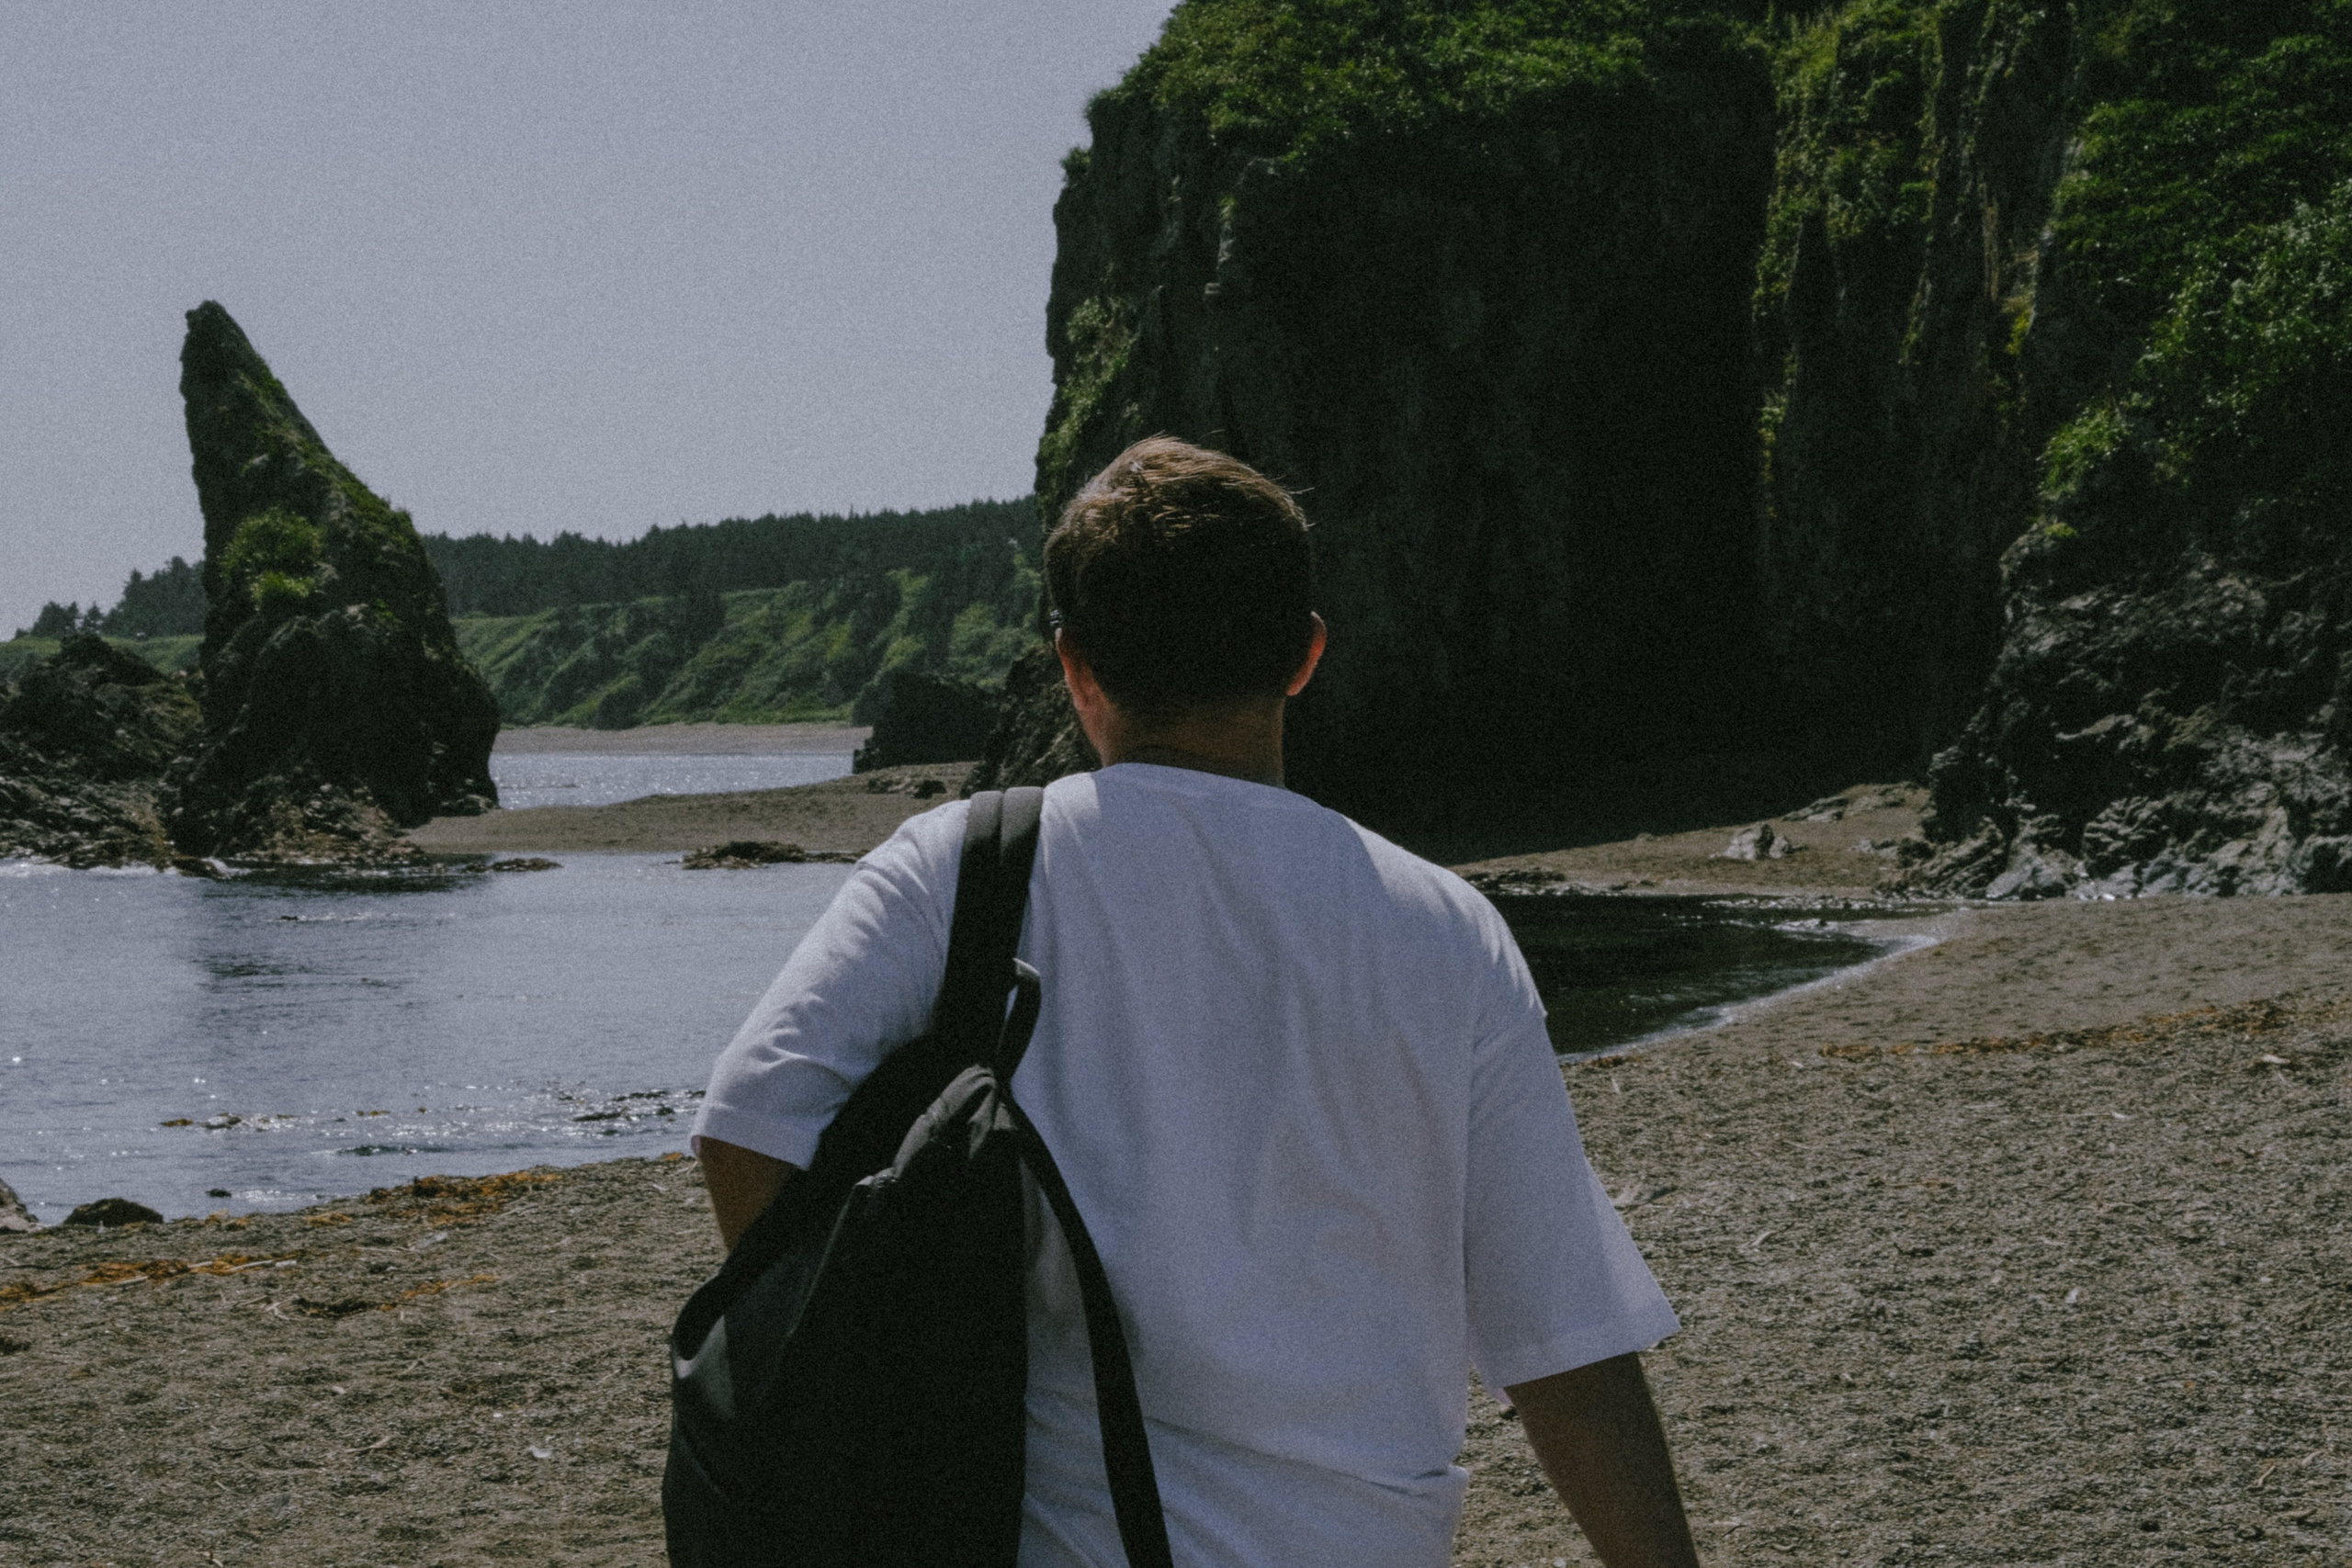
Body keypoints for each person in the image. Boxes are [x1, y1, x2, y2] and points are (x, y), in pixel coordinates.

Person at [693, 437, 1701, 1567]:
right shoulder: (1443, 928)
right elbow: (1561, 1340)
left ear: (1074, 667)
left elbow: (748, 1123)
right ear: (1304, 656)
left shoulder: (964, 870)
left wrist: (886, 1386)